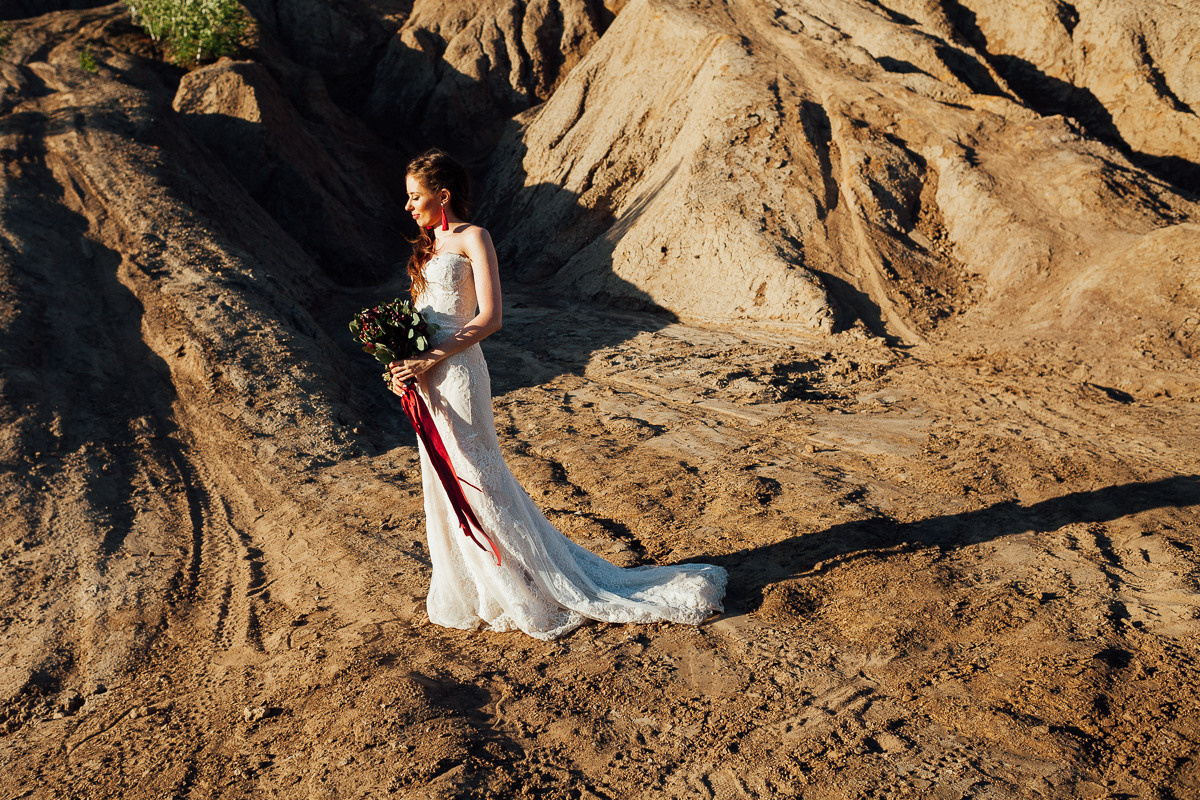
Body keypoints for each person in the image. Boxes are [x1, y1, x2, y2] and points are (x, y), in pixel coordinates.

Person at [388, 148, 727, 640]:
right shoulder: (429, 247)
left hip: (459, 374)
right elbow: (425, 323)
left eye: (415, 197)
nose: (408, 207)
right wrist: (402, 365)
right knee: (444, 479)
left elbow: (490, 318)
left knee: (478, 473)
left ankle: (532, 584)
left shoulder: (473, 237)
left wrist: (430, 359)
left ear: (442, 195)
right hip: (428, 379)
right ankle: (482, 587)